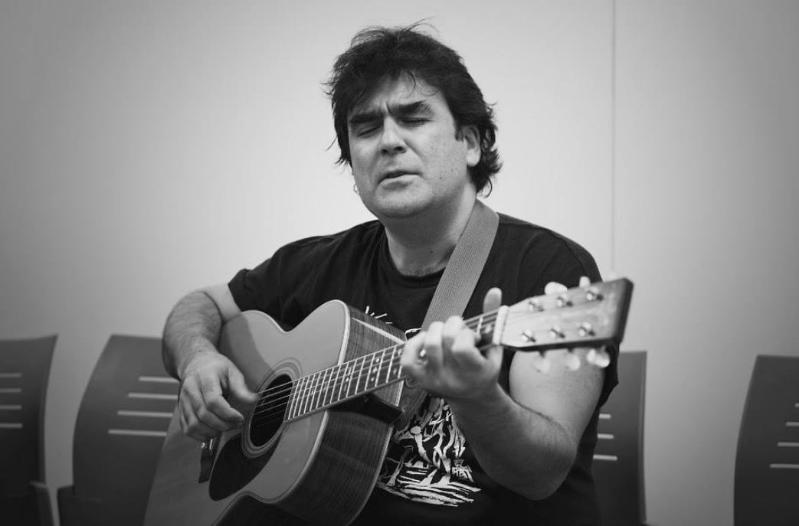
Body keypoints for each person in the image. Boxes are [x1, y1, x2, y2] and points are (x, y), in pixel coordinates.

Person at [162, 24, 616, 526]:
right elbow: (199, 306)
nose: (389, 142)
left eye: (413, 118)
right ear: (352, 163)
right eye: (366, 127)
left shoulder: (550, 272)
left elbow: (542, 474)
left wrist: (478, 398)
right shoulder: (318, 263)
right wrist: (198, 359)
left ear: (470, 142)